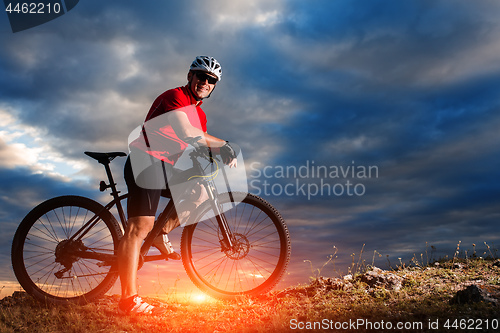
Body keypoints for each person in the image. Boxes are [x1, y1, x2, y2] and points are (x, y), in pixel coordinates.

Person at [118, 56, 237, 315]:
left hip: (164, 165)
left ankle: (160, 234)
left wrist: (216, 156)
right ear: (190, 76)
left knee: (200, 191)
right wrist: (223, 144)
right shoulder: (175, 96)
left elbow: (196, 145)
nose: (205, 82)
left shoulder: (200, 114)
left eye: (211, 80)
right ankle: (128, 301)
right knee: (139, 227)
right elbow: (188, 134)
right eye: (201, 76)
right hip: (145, 161)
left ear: (215, 85)